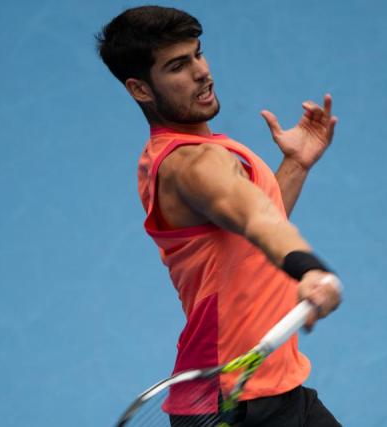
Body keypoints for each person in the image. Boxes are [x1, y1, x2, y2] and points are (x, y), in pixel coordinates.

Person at [96, 6, 343, 426]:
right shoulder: (192, 164)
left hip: (275, 389)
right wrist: (310, 269)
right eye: (178, 65)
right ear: (140, 89)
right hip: (231, 404)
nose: (201, 72)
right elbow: (256, 221)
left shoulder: (193, 152)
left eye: (197, 54)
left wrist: (296, 165)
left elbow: (251, 233)